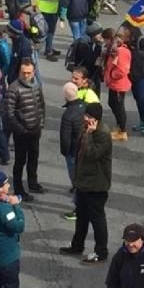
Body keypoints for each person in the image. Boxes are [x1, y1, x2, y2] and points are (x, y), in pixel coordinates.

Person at [60, 102, 112, 264]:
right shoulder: (86, 128)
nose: (85, 118)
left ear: (95, 119)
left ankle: (101, 252)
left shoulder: (102, 133)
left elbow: (92, 154)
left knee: (97, 220)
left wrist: (89, 135)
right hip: (84, 182)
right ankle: (77, 245)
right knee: (81, 217)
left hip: (96, 185)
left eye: (88, 116)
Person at [4, 57, 46, 199]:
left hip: (35, 130)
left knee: (34, 157)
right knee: (20, 161)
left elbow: (41, 105)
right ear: (19, 72)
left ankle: (33, 182)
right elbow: (9, 113)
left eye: (29, 72)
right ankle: (19, 188)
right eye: (23, 72)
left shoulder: (36, 85)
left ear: (34, 72)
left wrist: (41, 123)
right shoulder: (14, 88)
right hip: (22, 132)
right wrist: (21, 130)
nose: (26, 75)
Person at [59, 82, 86, 220]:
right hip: (84, 148)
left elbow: (65, 138)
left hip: (73, 152)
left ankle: (78, 209)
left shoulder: (68, 114)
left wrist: (65, 152)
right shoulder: (84, 106)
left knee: (76, 180)